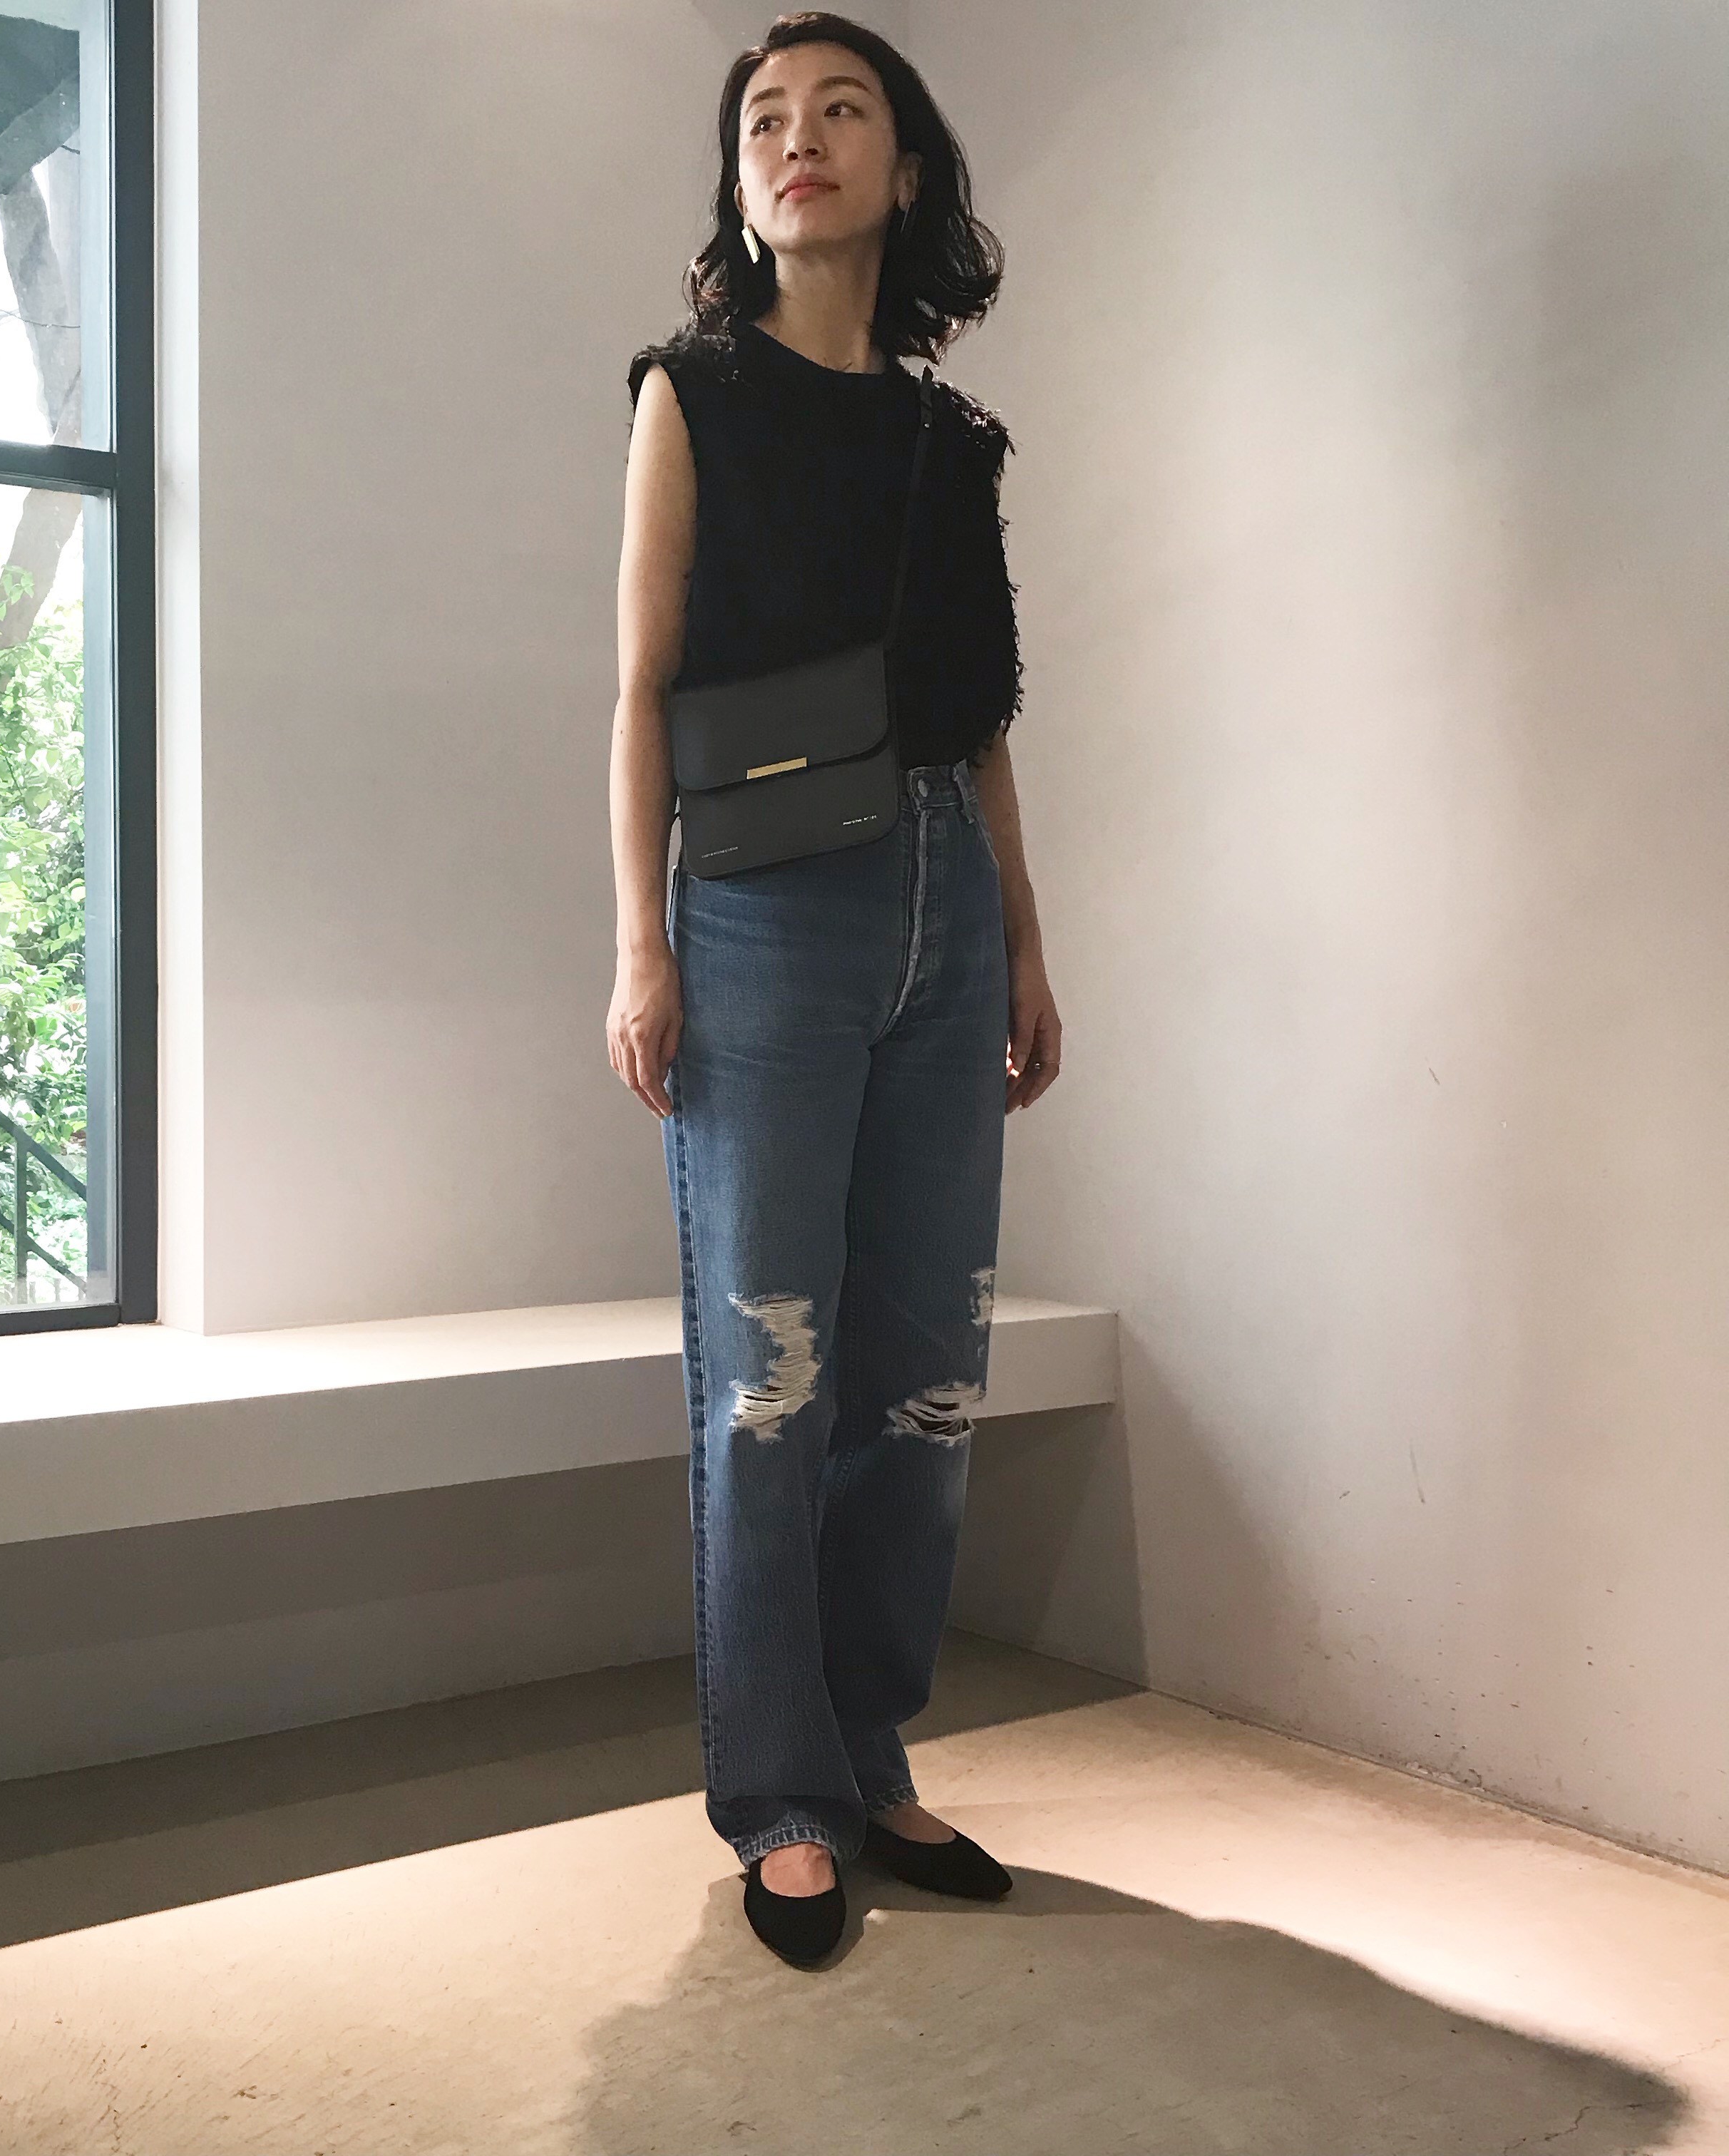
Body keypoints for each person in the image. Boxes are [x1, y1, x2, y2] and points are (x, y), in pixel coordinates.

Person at [606, 11, 1063, 1966]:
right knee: (770, 1373)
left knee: (925, 1373)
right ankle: (781, 1794)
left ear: (906, 165)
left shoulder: (954, 444)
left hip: (944, 901)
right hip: (764, 915)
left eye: (841, 110)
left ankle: (871, 1754)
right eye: (765, 122)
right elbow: (640, 690)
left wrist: (1025, 939)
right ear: (740, 185)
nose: (800, 141)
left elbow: (979, 722)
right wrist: (640, 943)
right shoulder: (692, 394)